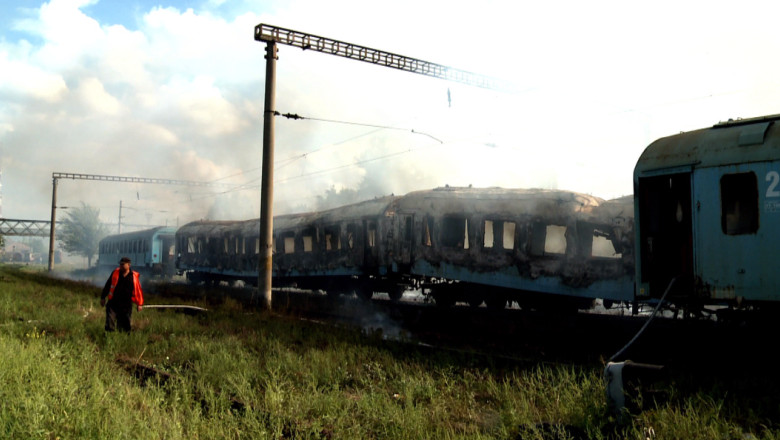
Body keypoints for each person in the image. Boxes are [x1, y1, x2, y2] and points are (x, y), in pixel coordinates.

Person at [100, 256, 143, 332]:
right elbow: (108, 285)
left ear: (129, 265)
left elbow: (138, 291)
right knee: (110, 323)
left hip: (126, 305)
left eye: (123, 264)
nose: (120, 266)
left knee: (124, 327)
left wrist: (139, 304)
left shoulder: (133, 277)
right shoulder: (115, 273)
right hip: (113, 303)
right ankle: (109, 337)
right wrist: (103, 297)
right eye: (120, 264)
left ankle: (122, 337)